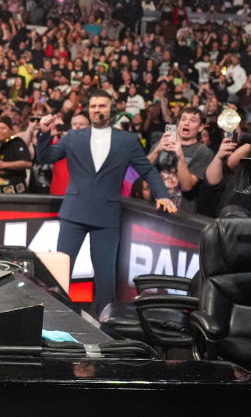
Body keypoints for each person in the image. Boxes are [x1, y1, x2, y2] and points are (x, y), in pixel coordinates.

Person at [36, 89, 175, 317]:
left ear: (112, 109)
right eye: (93, 106)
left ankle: (104, 324)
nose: (97, 110)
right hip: (74, 213)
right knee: (60, 273)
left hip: (107, 217)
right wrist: (43, 133)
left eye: (102, 105)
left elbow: (148, 170)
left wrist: (162, 194)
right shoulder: (72, 137)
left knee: (105, 278)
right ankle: (54, 317)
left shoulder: (127, 141)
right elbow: (45, 157)